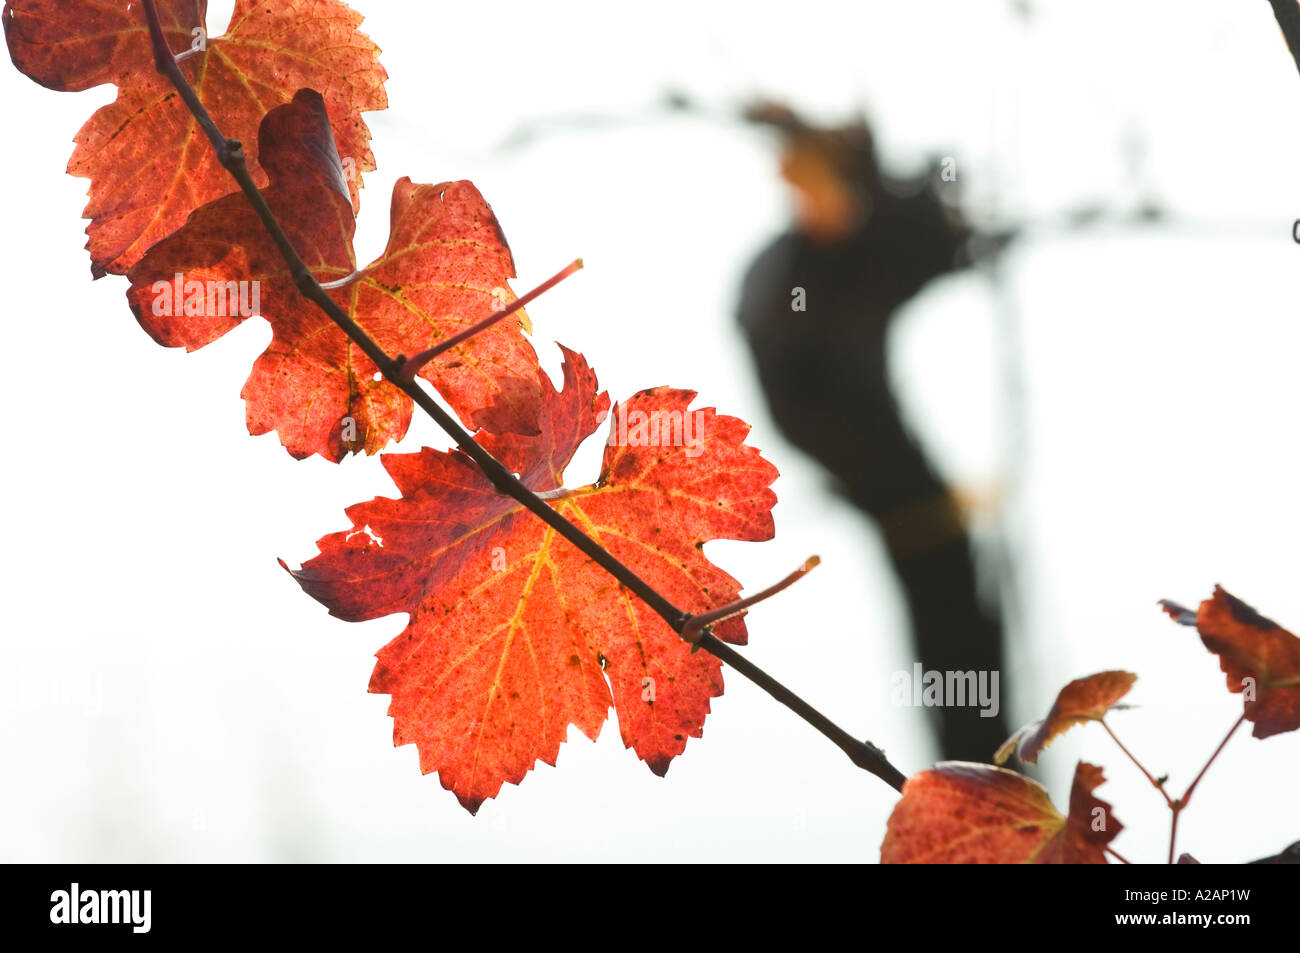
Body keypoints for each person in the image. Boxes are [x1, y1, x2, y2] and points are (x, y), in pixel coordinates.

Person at [735, 103, 1011, 762]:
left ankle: (986, 771)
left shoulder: (861, 256)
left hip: (896, 486)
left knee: (953, 606)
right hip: (885, 480)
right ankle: (981, 776)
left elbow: (922, 246)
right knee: (948, 606)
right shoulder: (789, 284)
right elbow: (798, 379)